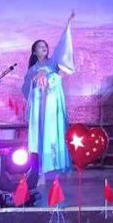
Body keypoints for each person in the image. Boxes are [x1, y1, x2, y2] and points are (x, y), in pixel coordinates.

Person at [22, 12, 76, 182]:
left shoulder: (53, 63)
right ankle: (40, 171)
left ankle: (55, 168)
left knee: (53, 133)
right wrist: (34, 79)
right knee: (40, 135)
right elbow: (25, 89)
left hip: (52, 106)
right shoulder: (32, 70)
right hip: (39, 108)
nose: (43, 47)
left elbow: (62, 50)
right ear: (34, 51)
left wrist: (67, 25)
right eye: (40, 46)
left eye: (45, 45)